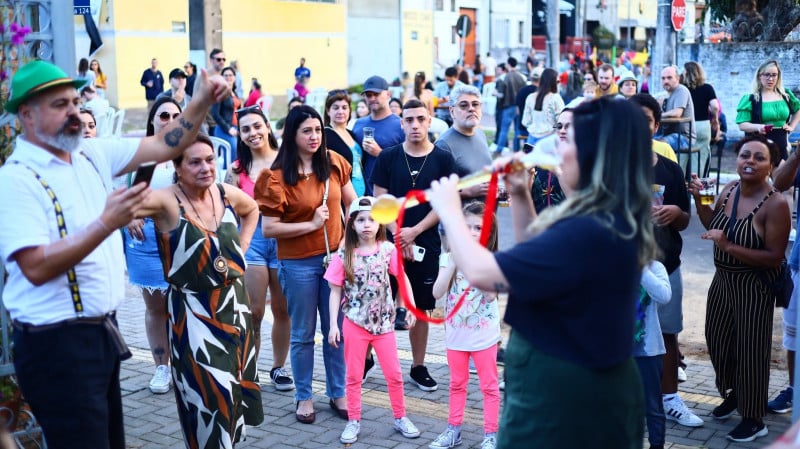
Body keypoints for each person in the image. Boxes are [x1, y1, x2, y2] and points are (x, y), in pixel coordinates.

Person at [0, 59, 229, 449]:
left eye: (75, 101)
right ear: (27, 115)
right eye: (60, 105)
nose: (74, 111)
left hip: (99, 336)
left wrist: (202, 99)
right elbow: (35, 267)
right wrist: (107, 223)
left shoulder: (90, 152)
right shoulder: (16, 179)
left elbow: (165, 143)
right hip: (56, 346)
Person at [426, 96, 656, 448]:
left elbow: (482, 272)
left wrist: (450, 211)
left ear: (594, 155)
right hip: (577, 390)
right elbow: (536, 256)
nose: (558, 151)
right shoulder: (604, 218)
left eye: (568, 141)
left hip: (566, 404)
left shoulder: (588, 230)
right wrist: (520, 194)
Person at [137, 133, 263, 448]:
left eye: (209, 160)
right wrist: (131, 216)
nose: (206, 167)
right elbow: (133, 203)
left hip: (235, 307)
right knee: (209, 401)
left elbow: (252, 210)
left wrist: (242, 248)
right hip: (195, 317)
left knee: (232, 397)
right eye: (195, 162)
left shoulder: (224, 192)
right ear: (177, 167)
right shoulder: (167, 199)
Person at [254, 105, 357, 424]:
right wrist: (310, 224)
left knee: (335, 330)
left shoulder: (336, 164)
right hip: (297, 263)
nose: (314, 137)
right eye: (306, 131)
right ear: (292, 136)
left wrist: (346, 242)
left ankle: (338, 392)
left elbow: (353, 205)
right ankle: (303, 396)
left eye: (317, 130)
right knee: (302, 332)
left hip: (335, 261)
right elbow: (269, 229)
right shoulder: (275, 177)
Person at [689, 134, 790, 442]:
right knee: (717, 341)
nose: (750, 161)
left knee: (751, 351)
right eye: (745, 155)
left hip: (753, 287)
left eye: (759, 157)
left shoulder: (776, 203)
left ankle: (753, 416)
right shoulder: (729, 189)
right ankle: (734, 393)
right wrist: (698, 199)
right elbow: (713, 227)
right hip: (722, 281)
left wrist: (729, 245)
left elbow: (774, 257)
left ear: (771, 165)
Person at [371, 99, 457, 392]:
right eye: (409, 120)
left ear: (430, 120)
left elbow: (444, 202)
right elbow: (378, 202)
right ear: (401, 123)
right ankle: (368, 355)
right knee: (380, 301)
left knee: (422, 306)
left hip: (427, 242)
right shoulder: (388, 158)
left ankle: (418, 366)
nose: (415, 125)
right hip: (387, 243)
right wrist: (399, 234)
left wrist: (416, 230)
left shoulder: (443, 158)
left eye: (421, 119)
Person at [325, 197, 421, 444]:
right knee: (354, 376)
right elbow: (335, 291)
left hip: (384, 325)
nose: (367, 224)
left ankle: (400, 417)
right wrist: (333, 325)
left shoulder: (387, 250)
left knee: (395, 374)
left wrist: (409, 307)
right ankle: (353, 421)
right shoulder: (343, 254)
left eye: (372, 219)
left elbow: (402, 278)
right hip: (354, 324)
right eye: (361, 220)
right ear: (352, 224)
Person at [632, 91, 700, 430]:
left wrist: (675, 212)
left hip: (665, 264)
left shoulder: (672, 170)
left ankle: (670, 398)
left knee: (669, 334)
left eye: (646, 120)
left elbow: (686, 220)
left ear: (656, 126)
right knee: (626, 333)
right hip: (626, 270)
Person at [225, 104, 295, 392]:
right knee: (253, 311)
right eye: (246, 129)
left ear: (267, 126)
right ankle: (248, 368)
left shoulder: (287, 161)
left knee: (282, 309)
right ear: (240, 136)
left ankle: (278, 368)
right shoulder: (236, 169)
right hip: (251, 243)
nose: (253, 133)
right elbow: (225, 211)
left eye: (257, 126)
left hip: (283, 242)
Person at [123, 97, 184, 395]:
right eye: (163, 115)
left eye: (176, 114)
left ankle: (187, 365)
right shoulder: (141, 154)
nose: (169, 119)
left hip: (184, 234)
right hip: (146, 236)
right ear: (153, 120)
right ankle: (162, 367)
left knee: (186, 305)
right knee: (156, 308)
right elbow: (126, 193)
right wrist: (129, 215)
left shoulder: (190, 150)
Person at [429, 201, 501, 449]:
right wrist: (453, 262)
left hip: (484, 335)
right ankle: (453, 430)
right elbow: (437, 292)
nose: (471, 232)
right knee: (457, 384)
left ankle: (491, 434)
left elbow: (491, 295)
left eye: (478, 228)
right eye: (466, 227)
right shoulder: (448, 257)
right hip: (456, 335)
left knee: (489, 386)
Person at [770, 139, 800, 414]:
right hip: (799, 263)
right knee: (793, 335)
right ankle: (794, 389)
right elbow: (778, 184)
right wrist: (797, 155)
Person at [635, 261, 672, 449]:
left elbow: (664, 296)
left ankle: (657, 445)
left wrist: (640, 267)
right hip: (615, 348)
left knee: (652, 406)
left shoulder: (654, 267)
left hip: (647, 350)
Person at [435, 84, 492, 201]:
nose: (471, 108)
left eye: (475, 104)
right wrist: (467, 192)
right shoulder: (443, 144)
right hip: (459, 217)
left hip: (486, 216)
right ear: (452, 111)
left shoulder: (480, 134)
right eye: (464, 105)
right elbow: (436, 191)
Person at [736, 59, 800, 163]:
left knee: (780, 177)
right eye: (767, 75)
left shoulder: (786, 95)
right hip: (757, 144)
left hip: (781, 143)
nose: (770, 78)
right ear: (759, 76)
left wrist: (792, 126)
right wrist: (758, 127)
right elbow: (742, 125)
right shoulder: (750, 98)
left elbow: (798, 110)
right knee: (760, 177)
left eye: (774, 75)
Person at [352, 75, 405, 195]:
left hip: (390, 196)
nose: (372, 98)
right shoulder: (358, 125)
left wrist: (380, 153)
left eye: (376, 94)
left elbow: (408, 164)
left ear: (388, 94)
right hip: (362, 196)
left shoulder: (400, 125)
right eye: (368, 95)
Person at [324, 90, 366, 195]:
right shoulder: (324, 135)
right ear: (328, 111)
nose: (340, 111)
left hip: (362, 195)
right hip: (341, 197)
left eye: (344, 107)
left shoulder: (352, 134)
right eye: (335, 107)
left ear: (350, 110)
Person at [683, 61, 719, 176]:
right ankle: (695, 192)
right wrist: (715, 119)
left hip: (686, 125)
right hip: (702, 126)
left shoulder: (682, 89)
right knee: (699, 161)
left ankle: (678, 189)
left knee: (681, 159)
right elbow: (715, 106)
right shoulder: (708, 88)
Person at [530, 109, 570, 213]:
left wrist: (558, 171)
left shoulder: (585, 162)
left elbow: (578, 202)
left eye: (569, 127)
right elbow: (530, 198)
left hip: (567, 226)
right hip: (539, 225)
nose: (562, 130)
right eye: (559, 126)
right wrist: (528, 174)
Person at [658, 66, 696, 174]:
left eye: (669, 78)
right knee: (646, 141)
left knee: (657, 144)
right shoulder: (667, 95)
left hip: (684, 137)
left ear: (677, 78)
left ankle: (663, 177)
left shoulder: (681, 90)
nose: (666, 81)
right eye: (663, 78)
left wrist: (660, 115)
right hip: (671, 135)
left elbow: (677, 113)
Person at [521, 68, 564, 146]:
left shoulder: (530, 97)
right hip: (549, 138)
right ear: (553, 82)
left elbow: (525, 121)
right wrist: (553, 127)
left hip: (531, 138)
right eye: (558, 82)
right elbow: (561, 120)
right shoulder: (555, 98)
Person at [630, 93, 678, 163]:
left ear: (656, 126)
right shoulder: (617, 152)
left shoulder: (665, 150)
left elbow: (675, 172)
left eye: (647, 120)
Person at [495, 58, 527, 153]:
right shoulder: (522, 77)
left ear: (508, 65)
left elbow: (501, 94)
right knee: (517, 130)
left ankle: (499, 149)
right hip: (518, 107)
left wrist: (495, 93)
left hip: (508, 106)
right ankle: (516, 150)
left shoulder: (505, 77)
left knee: (504, 130)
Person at [211, 66, 241, 164]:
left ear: (234, 77)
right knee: (233, 149)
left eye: (230, 75)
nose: (228, 77)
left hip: (236, 128)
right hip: (223, 129)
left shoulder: (235, 93)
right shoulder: (219, 92)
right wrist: (228, 129)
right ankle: (229, 176)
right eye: (225, 75)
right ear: (222, 77)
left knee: (243, 150)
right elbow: (215, 113)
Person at [515, 67, 542, 140]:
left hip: (523, 124)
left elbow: (517, 111)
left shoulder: (522, 90)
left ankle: (515, 149)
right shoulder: (542, 92)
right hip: (537, 126)